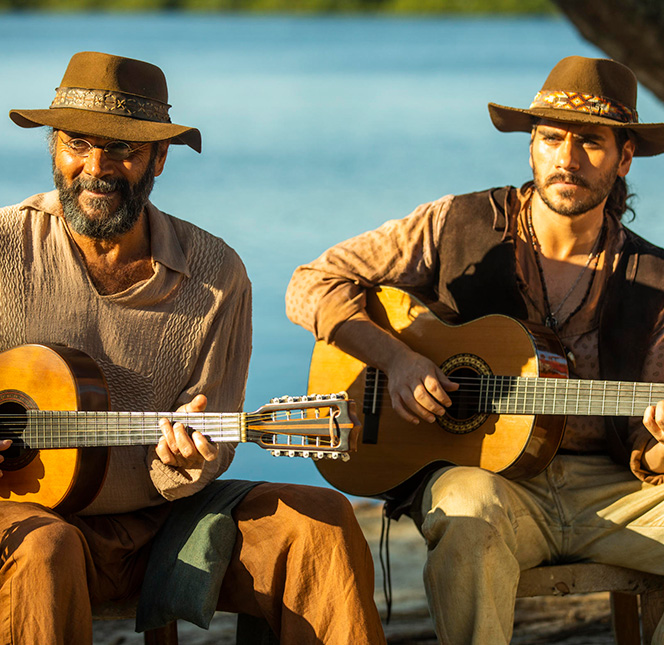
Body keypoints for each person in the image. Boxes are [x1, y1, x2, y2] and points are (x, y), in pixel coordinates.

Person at [286, 55, 664, 644]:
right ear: (531, 148)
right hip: (487, 481)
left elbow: (654, 453)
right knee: (468, 512)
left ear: (624, 158)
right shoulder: (456, 224)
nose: (567, 159)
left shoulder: (657, 279)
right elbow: (310, 284)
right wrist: (396, 360)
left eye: (591, 143)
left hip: (611, 491)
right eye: (551, 139)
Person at [0, 50, 386, 645]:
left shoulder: (215, 273)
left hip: (165, 522)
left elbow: (203, 448)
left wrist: (186, 465)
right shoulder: (6, 248)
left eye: (124, 149)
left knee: (321, 523)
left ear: (160, 157)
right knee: (45, 547)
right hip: (24, 519)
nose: (96, 167)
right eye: (78, 143)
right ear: (53, 145)